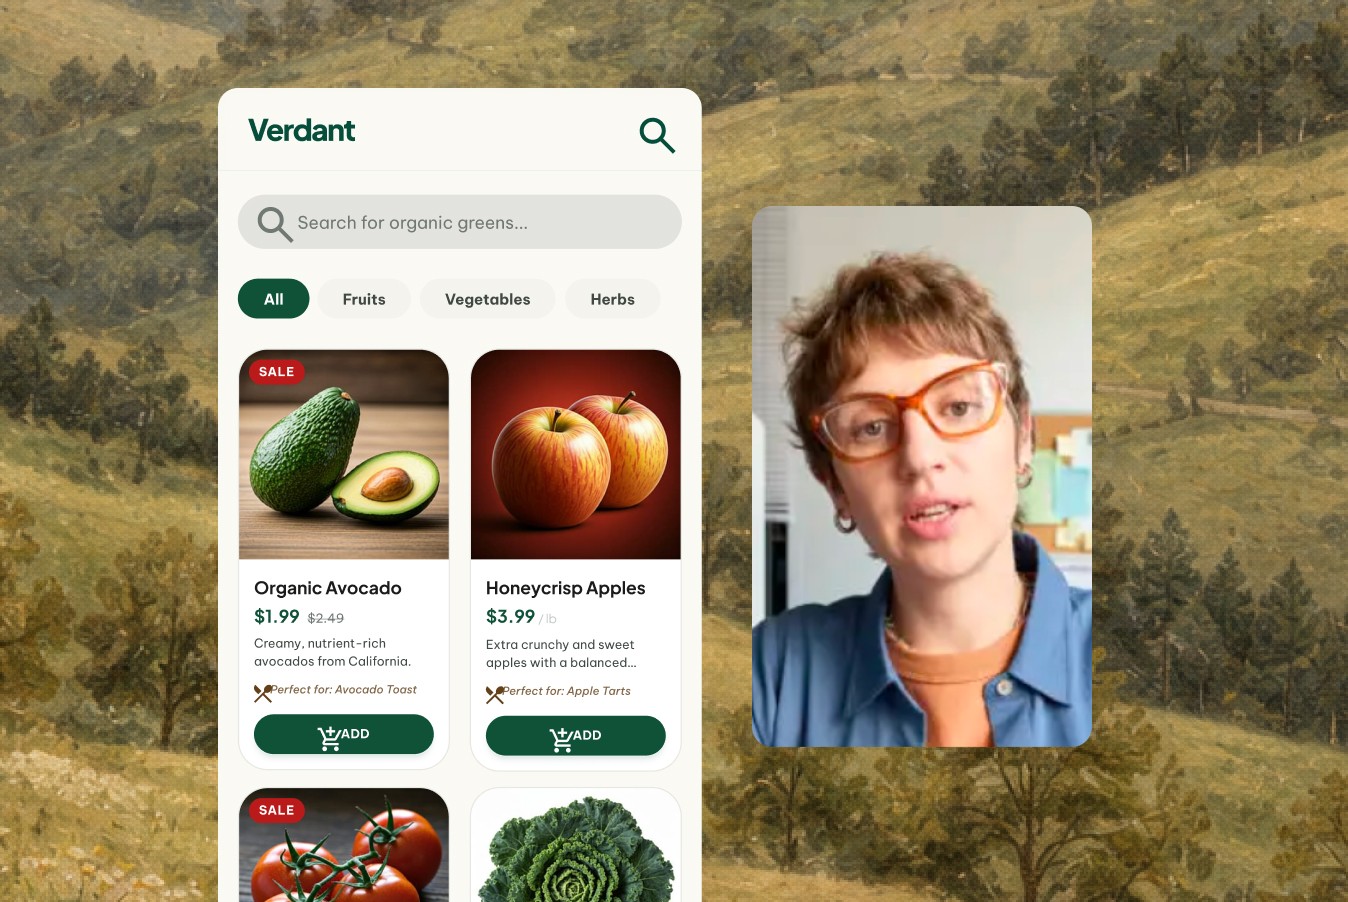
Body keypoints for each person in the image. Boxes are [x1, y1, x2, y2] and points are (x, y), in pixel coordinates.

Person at [752, 252, 1091, 747]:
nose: (919, 456)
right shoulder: (771, 671)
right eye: (870, 427)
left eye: (957, 407)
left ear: (1023, 439)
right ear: (834, 486)